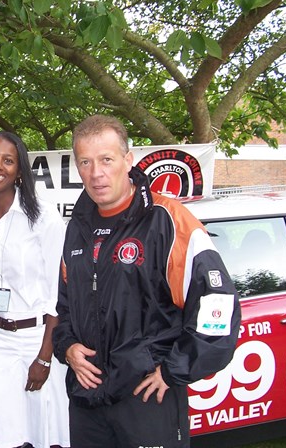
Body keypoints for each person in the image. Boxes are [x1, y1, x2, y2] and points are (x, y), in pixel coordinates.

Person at [52, 115, 241, 448]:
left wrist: (173, 371)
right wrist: (66, 347)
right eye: (85, 162)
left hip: (147, 396)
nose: (96, 173)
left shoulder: (166, 220)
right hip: (87, 401)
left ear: (128, 160)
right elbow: (65, 306)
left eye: (106, 160)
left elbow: (217, 304)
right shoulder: (76, 227)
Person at [0, 131, 70, 448]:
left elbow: (59, 295)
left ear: (19, 171)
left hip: (37, 341)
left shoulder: (44, 219)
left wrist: (45, 358)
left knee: (44, 436)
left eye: (8, 160)